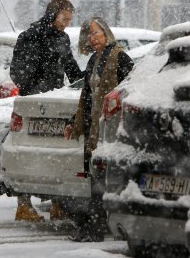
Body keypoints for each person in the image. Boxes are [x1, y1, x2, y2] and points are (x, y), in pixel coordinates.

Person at [10, 0, 85, 222]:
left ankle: (57, 204)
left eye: (69, 20)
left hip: (55, 102)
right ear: (52, 14)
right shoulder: (29, 37)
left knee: (55, 154)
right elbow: (17, 72)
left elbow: (70, 67)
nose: (66, 24)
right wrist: (33, 87)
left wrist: (83, 83)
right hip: (32, 102)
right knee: (27, 153)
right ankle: (23, 205)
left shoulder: (62, 38)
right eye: (64, 19)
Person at [64, 16, 134, 241]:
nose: (92, 38)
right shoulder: (94, 60)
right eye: (89, 34)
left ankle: (96, 228)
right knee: (94, 177)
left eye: (96, 33)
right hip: (94, 127)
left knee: (104, 177)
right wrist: (72, 122)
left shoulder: (120, 58)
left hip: (110, 127)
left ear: (106, 33)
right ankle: (94, 226)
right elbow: (86, 96)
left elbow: (129, 91)